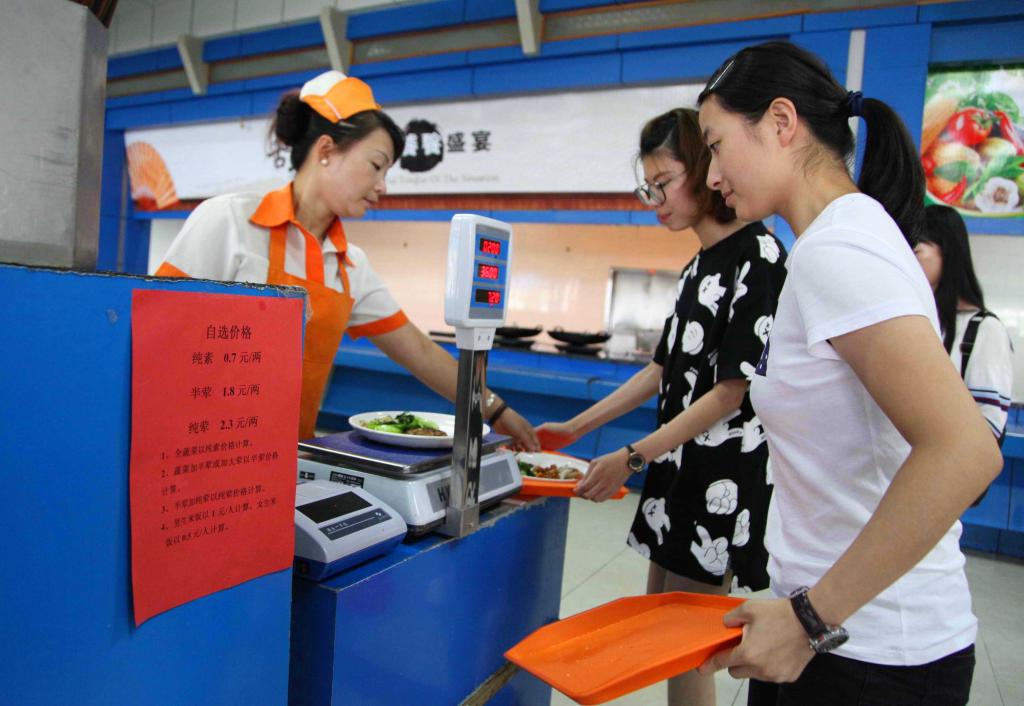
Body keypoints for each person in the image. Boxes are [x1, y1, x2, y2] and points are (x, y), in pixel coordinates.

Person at [693, 41, 1003, 706]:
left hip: (871, 655)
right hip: (837, 630)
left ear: (781, 122)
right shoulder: (837, 242)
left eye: (716, 146)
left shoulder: (841, 248)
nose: (712, 175)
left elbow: (966, 450)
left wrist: (811, 618)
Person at [536, 108, 787, 706]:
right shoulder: (699, 265)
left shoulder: (760, 257)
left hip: (721, 478)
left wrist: (631, 456)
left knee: (687, 651)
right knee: (659, 627)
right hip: (678, 469)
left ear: (704, 169)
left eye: (664, 182)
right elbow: (661, 370)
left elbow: (731, 391)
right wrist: (575, 427)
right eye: (648, 185)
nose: (655, 200)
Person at [155, 70, 539, 448]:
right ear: (326, 151)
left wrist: (496, 411)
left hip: (289, 461)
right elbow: (155, 332)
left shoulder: (351, 266)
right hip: (196, 453)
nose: (382, 186)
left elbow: (420, 352)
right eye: (376, 165)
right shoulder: (230, 221)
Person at [915, 204, 1014, 448]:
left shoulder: (985, 329)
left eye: (916, 252)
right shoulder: (919, 321)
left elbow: (989, 427)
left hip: (942, 465)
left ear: (947, 252)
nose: (908, 262)